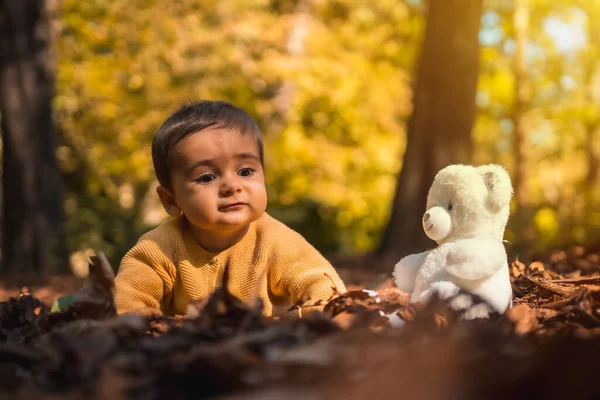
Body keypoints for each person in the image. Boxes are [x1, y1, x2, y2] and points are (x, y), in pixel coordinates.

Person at [113, 100, 346, 317]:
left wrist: (318, 317)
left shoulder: (275, 241)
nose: (232, 186)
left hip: (266, 348)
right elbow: (128, 301)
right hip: (185, 350)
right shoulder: (158, 249)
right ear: (171, 201)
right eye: (206, 177)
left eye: (245, 171)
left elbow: (320, 283)